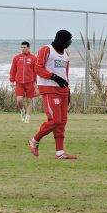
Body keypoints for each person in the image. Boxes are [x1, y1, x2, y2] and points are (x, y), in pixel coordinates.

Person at [28, 30, 77, 159]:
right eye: (68, 40)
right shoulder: (46, 50)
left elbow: (64, 74)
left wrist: (68, 88)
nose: (70, 43)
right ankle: (34, 140)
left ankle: (60, 153)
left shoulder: (66, 54)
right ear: (61, 40)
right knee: (54, 120)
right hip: (49, 89)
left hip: (63, 90)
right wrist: (54, 77)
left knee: (62, 122)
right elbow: (38, 68)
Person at [10, 41, 37, 123]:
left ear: (28, 48)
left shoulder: (33, 58)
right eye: (22, 47)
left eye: (24, 47)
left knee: (29, 101)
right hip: (19, 82)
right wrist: (12, 81)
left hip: (30, 83)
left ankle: (27, 118)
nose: (23, 49)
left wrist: (36, 82)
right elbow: (13, 70)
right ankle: (22, 111)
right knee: (19, 100)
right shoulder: (16, 58)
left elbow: (36, 71)